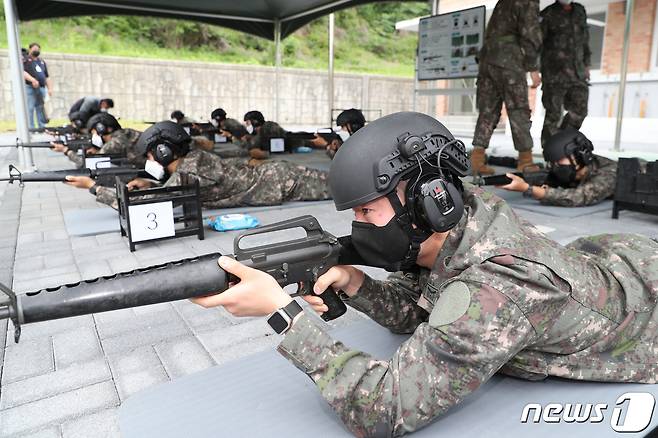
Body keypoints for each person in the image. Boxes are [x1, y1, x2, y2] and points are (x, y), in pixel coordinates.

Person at [190, 111, 658, 436]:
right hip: (606, 263)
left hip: (644, 310)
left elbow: (384, 408)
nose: (358, 228)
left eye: (368, 212)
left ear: (430, 201)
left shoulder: (498, 289)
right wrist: (358, 284)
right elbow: (424, 309)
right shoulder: (464, 218)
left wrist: (283, 315)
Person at [66, 121, 332, 208]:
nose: (148, 161)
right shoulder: (191, 160)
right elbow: (173, 183)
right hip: (275, 175)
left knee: (348, 186)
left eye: (150, 155)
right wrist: (150, 181)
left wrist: (93, 187)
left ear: (164, 152)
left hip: (282, 182)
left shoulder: (188, 172)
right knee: (344, 182)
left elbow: (140, 203)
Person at [471, 0, 542, 175]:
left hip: (487, 59)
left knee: (488, 110)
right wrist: (533, 67)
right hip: (508, 60)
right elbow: (530, 33)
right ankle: (525, 161)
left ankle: (476, 159)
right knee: (518, 108)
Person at [500, 129, 617, 206]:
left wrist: (527, 189)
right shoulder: (571, 168)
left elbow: (578, 197)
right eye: (553, 162)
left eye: (560, 160)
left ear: (579, 157)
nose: (556, 165)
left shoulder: (609, 172)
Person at [540, 0, 592, 148]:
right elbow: (537, 43)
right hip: (555, 74)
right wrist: (534, 69)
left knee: (580, 111)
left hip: (578, 73)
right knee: (553, 116)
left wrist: (587, 64)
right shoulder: (548, 13)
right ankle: (551, 155)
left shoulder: (580, 11)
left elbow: (585, 40)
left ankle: (562, 145)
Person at [52, 113, 144, 168]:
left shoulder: (113, 143)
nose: (94, 136)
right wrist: (98, 151)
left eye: (94, 133)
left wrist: (65, 150)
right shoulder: (126, 132)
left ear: (103, 129)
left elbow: (85, 164)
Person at [23, 43, 52, 129]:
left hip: (41, 88)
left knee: (40, 107)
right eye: (34, 48)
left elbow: (47, 76)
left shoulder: (41, 62)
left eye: (38, 49)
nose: (36, 50)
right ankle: (31, 127)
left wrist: (50, 88)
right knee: (30, 107)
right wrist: (33, 80)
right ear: (30, 49)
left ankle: (41, 126)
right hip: (30, 87)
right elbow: (23, 72)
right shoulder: (25, 60)